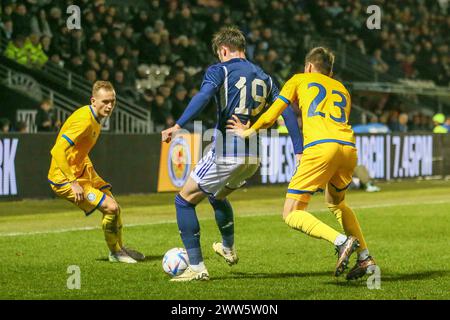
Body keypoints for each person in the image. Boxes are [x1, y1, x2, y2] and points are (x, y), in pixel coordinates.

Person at [161, 27, 302, 281]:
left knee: (183, 201)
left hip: (227, 150)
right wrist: (299, 150)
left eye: (219, 54)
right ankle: (227, 248)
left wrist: (178, 124)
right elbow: (287, 112)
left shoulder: (220, 70)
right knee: (216, 197)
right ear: (243, 48)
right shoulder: (266, 77)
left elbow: (203, 96)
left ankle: (196, 268)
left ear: (223, 50)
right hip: (253, 157)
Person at [229, 47, 377, 280]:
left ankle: (340, 242)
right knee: (337, 204)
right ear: (330, 70)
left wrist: (249, 131)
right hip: (348, 149)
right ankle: (365, 257)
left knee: (291, 212)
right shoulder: (342, 89)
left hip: (321, 148)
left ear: (309, 66)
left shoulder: (299, 79)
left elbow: (273, 113)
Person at [47, 81, 144, 263]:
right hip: (64, 178)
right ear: (93, 101)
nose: (109, 106)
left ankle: (120, 249)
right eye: (105, 102)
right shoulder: (84, 121)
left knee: (116, 207)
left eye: (112, 102)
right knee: (111, 208)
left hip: (82, 169)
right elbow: (57, 150)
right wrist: (73, 182)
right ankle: (115, 253)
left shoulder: (95, 117)